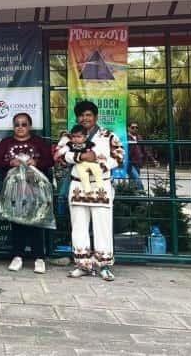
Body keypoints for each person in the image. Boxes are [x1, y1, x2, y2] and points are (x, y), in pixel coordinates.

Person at [56, 101, 124, 281]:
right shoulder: (70, 135)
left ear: (96, 116)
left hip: (100, 185)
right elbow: (60, 155)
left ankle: (103, 266)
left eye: (88, 115)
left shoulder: (108, 135)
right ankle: (82, 265)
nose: (84, 118)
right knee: (78, 226)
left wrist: (100, 165)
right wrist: (79, 156)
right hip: (78, 185)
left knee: (103, 226)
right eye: (81, 115)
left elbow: (119, 156)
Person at [0, 113, 54, 274]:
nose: (20, 127)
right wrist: (10, 162)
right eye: (17, 124)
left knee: (36, 221)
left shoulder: (38, 142)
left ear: (30, 126)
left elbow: (50, 161)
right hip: (14, 190)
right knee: (17, 221)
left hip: (35, 190)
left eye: (24, 124)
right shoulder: (7, 142)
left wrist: (36, 162)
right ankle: (17, 256)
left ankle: (39, 257)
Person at [55, 124, 108, 201]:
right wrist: (58, 154)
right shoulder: (70, 144)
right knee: (83, 176)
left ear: (85, 137)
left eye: (79, 137)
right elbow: (64, 150)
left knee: (97, 170)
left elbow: (96, 151)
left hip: (90, 163)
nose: (76, 139)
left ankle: (100, 185)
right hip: (79, 164)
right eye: (74, 136)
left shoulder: (89, 144)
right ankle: (87, 190)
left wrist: (101, 155)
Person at [127, 122, 148, 191]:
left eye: (136, 127)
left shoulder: (139, 137)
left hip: (138, 162)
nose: (135, 129)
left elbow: (144, 149)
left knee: (132, 181)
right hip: (129, 163)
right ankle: (143, 195)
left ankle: (131, 196)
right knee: (137, 179)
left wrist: (153, 159)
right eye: (133, 127)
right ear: (128, 128)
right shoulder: (126, 137)